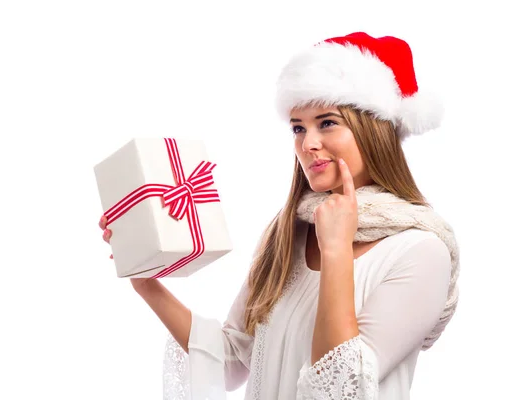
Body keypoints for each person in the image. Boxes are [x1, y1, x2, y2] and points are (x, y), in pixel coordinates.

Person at [99, 31, 460, 400]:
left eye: (328, 122)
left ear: (376, 131)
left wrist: (336, 251)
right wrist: (146, 281)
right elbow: (231, 361)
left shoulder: (421, 251)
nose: (308, 144)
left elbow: (337, 388)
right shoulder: (288, 232)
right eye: (298, 128)